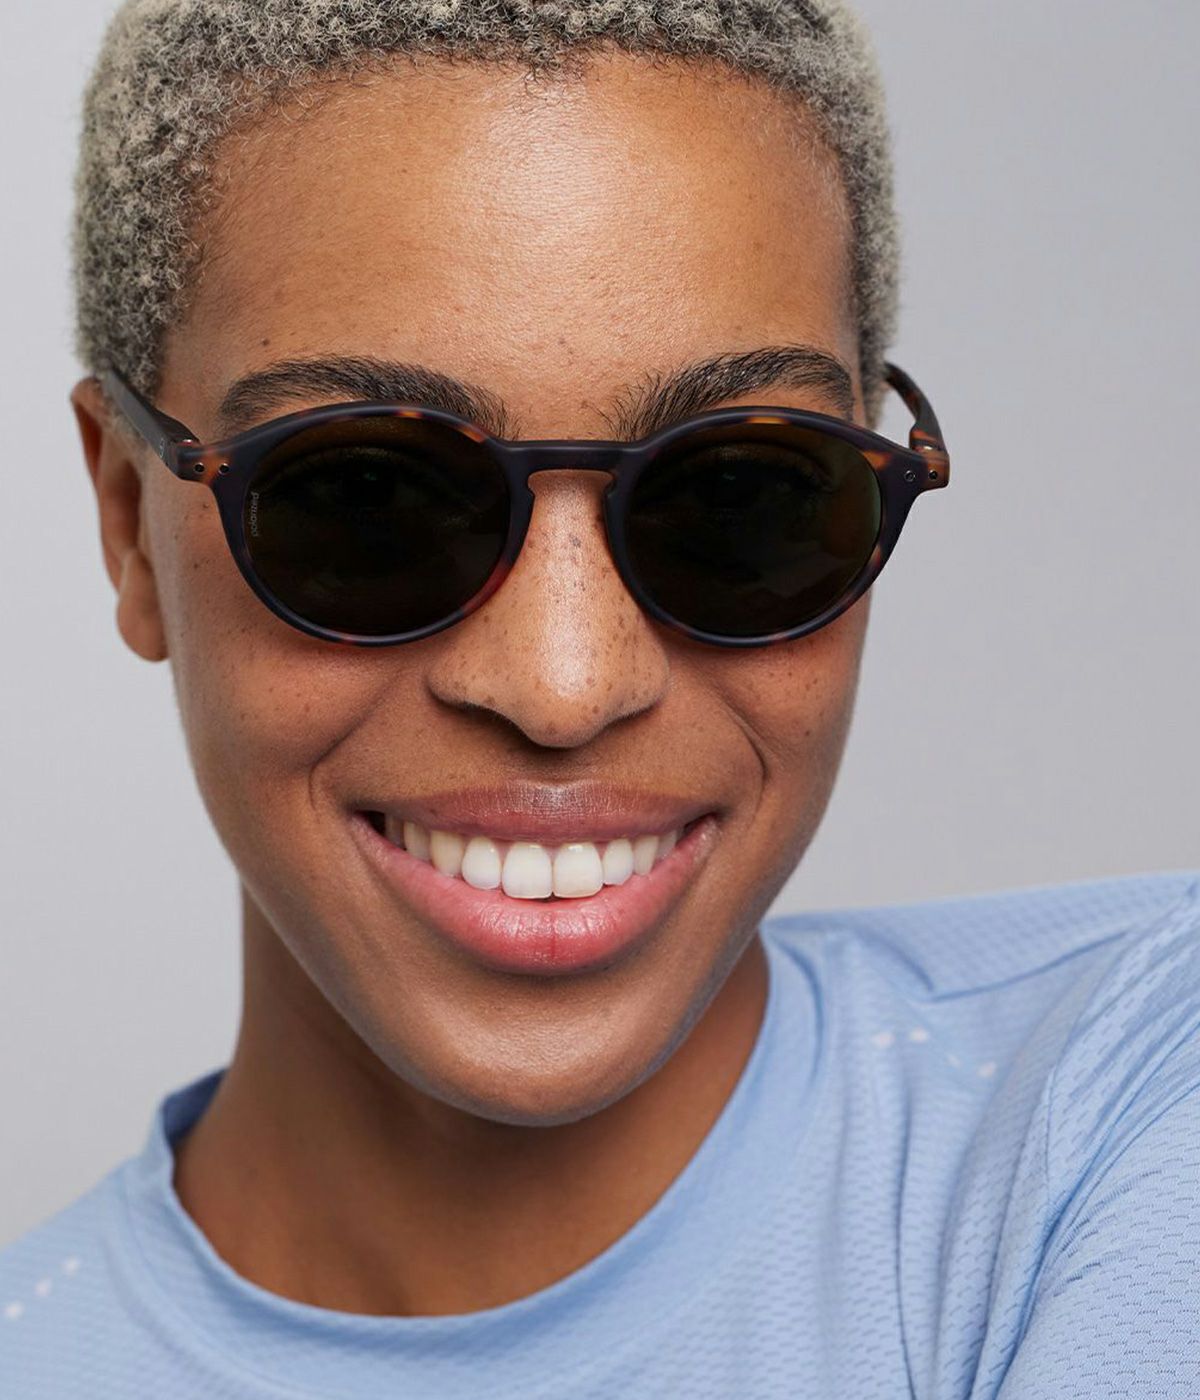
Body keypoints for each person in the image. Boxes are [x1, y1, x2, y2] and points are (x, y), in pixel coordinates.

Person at [3, 1, 1197, 1395]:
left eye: (740, 494)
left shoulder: (1133, 1090)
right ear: (126, 518)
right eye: (367, 500)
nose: (565, 688)